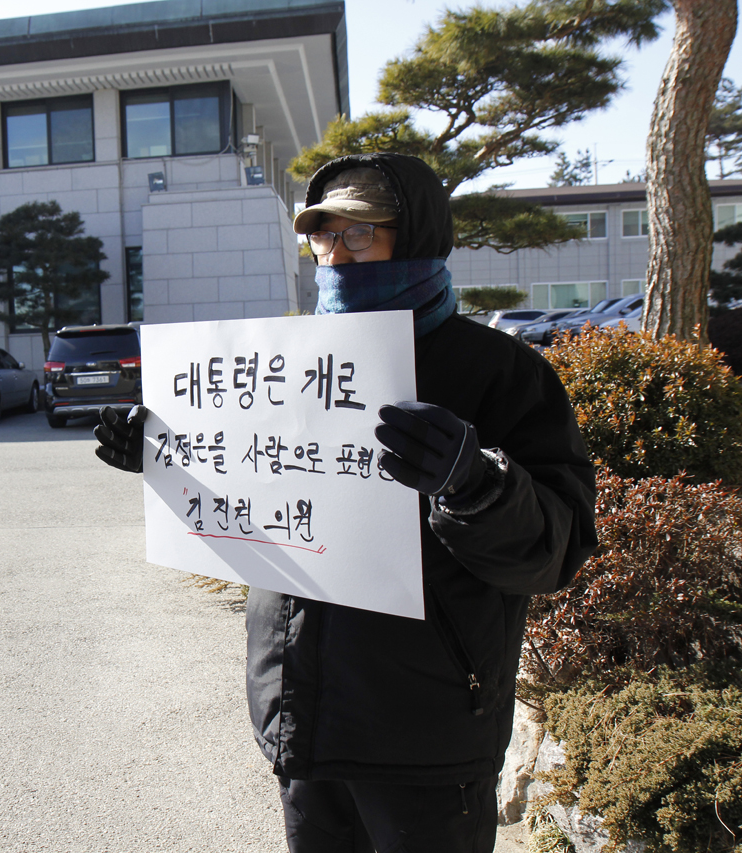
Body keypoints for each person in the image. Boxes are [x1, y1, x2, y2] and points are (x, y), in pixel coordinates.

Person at [95, 153, 597, 853]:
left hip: (426, 732)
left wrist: (477, 483)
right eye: (323, 237)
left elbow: (557, 547)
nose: (337, 254)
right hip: (303, 715)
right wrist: (165, 462)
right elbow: (258, 499)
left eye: (359, 234)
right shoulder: (284, 362)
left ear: (416, 234)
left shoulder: (500, 371)